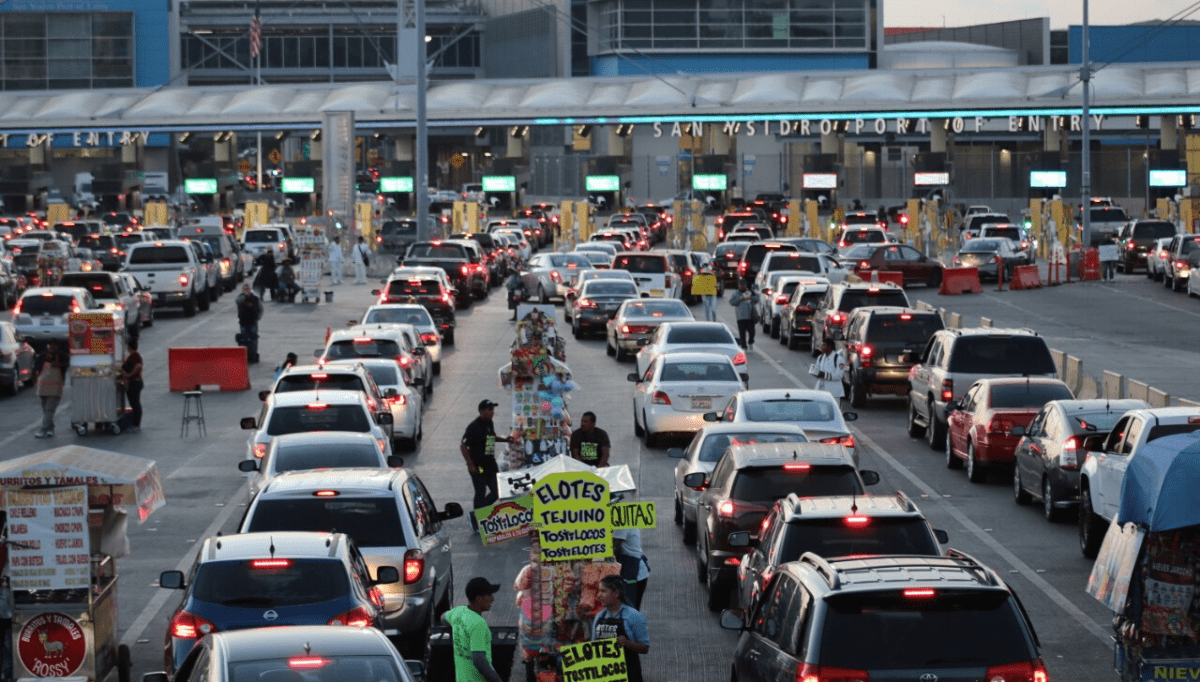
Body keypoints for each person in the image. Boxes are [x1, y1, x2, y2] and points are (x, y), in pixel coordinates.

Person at [460, 400, 511, 531]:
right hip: (479, 465)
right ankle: (478, 519)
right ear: (482, 411)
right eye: (489, 410)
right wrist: (470, 464)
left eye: (493, 410)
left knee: (497, 491)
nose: (492, 412)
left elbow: (491, 438)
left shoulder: (489, 423)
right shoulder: (474, 426)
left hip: (490, 463)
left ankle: (477, 514)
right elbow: (463, 446)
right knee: (480, 491)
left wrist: (506, 440)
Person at [445, 577, 504, 682]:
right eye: (489, 595)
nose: (493, 598)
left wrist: (455, 626)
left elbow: (443, 618)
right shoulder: (478, 624)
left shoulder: (459, 612)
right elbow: (478, 658)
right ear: (479, 599)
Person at [592, 574, 649, 682]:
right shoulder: (599, 617)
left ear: (616, 593)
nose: (599, 595)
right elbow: (593, 646)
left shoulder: (634, 616)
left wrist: (627, 643)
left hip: (629, 675)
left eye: (603, 591)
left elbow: (645, 648)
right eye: (599, 591)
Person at [34, 340, 69, 438]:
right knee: (46, 410)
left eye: (54, 346)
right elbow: (36, 369)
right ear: (47, 346)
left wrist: (59, 365)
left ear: (57, 346)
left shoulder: (63, 357)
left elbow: (67, 363)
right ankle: (50, 428)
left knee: (49, 410)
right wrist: (35, 383)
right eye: (50, 346)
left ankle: (43, 429)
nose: (52, 348)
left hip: (55, 388)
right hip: (43, 388)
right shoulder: (42, 357)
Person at [613, 526, 649, 609]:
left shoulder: (622, 525)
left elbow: (615, 547)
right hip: (635, 571)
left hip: (634, 573)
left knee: (629, 608)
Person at [120, 337, 144, 433]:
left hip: (135, 383)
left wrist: (128, 375)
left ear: (129, 347)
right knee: (135, 404)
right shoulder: (134, 356)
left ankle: (136, 424)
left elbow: (138, 367)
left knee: (135, 404)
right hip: (135, 382)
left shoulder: (134, 356)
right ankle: (135, 423)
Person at [235, 284, 264, 363]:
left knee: (254, 339)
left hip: (253, 322)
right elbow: (237, 301)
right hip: (243, 322)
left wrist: (258, 317)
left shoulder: (255, 298)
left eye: (248, 289)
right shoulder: (241, 297)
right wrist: (245, 296)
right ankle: (245, 355)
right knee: (244, 339)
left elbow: (261, 309)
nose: (247, 291)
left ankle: (253, 354)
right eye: (245, 289)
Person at [728, 279, 756, 350]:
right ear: (738, 286)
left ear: (746, 286)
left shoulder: (749, 292)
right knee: (742, 333)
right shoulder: (735, 294)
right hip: (740, 317)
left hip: (750, 317)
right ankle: (744, 346)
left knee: (752, 332)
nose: (742, 287)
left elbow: (755, 300)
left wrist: (752, 298)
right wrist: (739, 298)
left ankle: (750, 341)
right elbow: (732, 302)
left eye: (743, 285)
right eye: (741, 285)